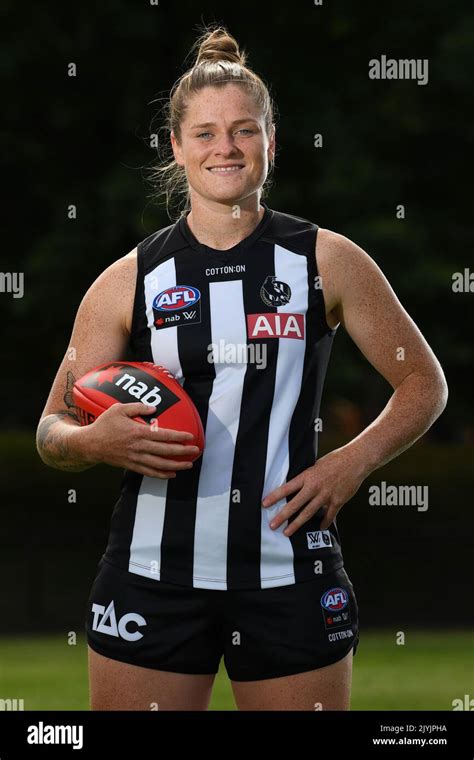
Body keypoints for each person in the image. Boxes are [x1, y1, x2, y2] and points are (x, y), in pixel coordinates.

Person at [36, 25, 448, 711]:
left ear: (271, 141)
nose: (224, 147)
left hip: (289, 571)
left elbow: (423, 383)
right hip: (152, 575)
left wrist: (350, 463)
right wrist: (93, 440)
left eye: (243, 130)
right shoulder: (128, 280)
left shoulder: (327, 260)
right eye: (204, 133)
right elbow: (52, 427)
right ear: (176, 147)